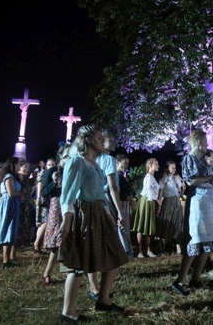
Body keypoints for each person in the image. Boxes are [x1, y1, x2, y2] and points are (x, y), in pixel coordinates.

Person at [58, 125, 128, 323]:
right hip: (84, 215)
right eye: (98, 138)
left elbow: (101, 193)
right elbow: (67, 197)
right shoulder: (77, 163)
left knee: (115, 256)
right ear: (88, 140)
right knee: (78, 265)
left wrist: (109, 213)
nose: (102, 141)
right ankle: (68, 312)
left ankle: (104, 301)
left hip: (100, 215)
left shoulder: (95, 164)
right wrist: (67, 222)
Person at [172, 130, 213, 296]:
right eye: (204, 141)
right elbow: (191, 181)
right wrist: (211, 178)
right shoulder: (189, 159)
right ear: (197, 142)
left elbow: (209, 180)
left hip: (209, 201)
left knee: (207, 241)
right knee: (195, 240)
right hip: (197, 203)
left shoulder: (205, 161)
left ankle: (196, 278)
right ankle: (180, 280)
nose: (207, 144)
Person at [96, 130, 134, 258]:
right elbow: (112, 187)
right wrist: (119, 211)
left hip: (95, 198)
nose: (114, 142)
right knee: (112, 230)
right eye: (110, 140)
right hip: (107, 199)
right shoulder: (108, 159)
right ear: (102, 142)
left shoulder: (93, 158)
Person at [41, 146, 70, 286]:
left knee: (68, 239)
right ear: (60, 157)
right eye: (66, 155)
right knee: (56, 239)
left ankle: (68, 271)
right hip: (57, 206)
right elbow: (44, 192)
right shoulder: (52, 171)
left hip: (70, 205)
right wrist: (54, 182)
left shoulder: (71, 170)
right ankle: (47, 272)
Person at [132, 158, 160, 258]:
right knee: (142, 225)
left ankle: (148, 250)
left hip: (150, 202)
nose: (158, 166)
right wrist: (157, 200)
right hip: (146, 201)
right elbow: (149, 191)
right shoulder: (148, 177)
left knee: (148, 226)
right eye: (156, 164)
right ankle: (139, 251)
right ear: (150, 165)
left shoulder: (152, 177)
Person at [158, 161, 185, 254]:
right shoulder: (165, 178)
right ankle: (165, 246)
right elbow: (160, 189)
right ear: (167, 168)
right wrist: (159, 202)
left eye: (175, 167)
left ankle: (178, 246)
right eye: (172, 167)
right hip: (168, 201)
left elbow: (181, 192)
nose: (174, 169)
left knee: (178, 223)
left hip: (177, 201)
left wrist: (182, 188)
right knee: (168, 224)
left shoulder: (177, 177)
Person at [34, 158, 56, 253]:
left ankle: (39, 244)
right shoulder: (43, 173)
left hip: (48, 200)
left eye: (52, 165)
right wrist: (39, 198)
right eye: (49, 165)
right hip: (43, 200)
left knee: (44, 222)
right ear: (46, 165)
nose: (50, 166)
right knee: (44, 222)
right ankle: (37, 243)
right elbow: (40, 187)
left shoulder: (52, 174)